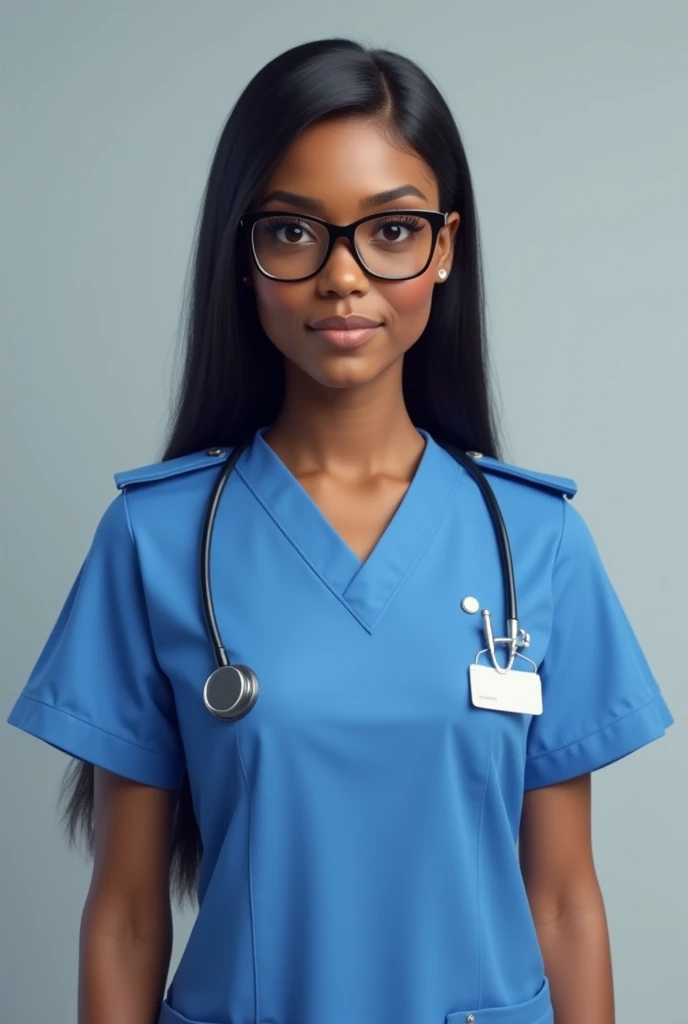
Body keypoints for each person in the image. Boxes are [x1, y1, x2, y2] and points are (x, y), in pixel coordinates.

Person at [7, 37, 674, 1024]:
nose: (344, 277)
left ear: (445, 247)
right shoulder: (153, 541)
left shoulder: (535, 544)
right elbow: (125, 914)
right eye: (293, 232)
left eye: (391, 230)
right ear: (244, 253)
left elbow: (567, 901)